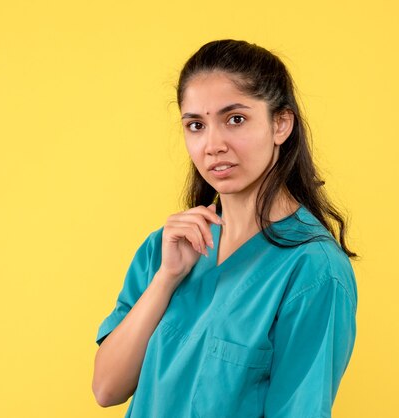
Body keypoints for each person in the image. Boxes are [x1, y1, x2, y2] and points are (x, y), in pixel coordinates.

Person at [92, 39, 359, 417]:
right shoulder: (166, 248)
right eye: (196, 125)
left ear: (280, 124)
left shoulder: (312, 270)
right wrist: (167, 279)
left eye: (235, 119)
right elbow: (106, 388)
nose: (213, 144)